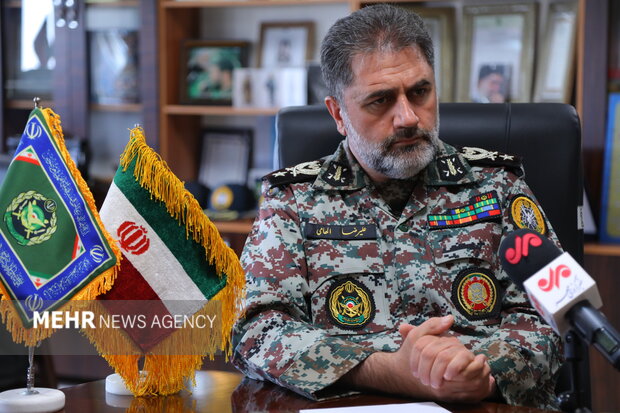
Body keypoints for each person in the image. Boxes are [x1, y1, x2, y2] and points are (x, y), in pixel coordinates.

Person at [232, 4, 562, 410]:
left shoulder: (498, 185)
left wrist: (482, 372)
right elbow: (255, 330)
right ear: (338, 113)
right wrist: (389, 371)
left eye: (420, 92)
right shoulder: (294, 200)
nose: (407, 117)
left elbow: (553, 316)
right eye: (380, 100)